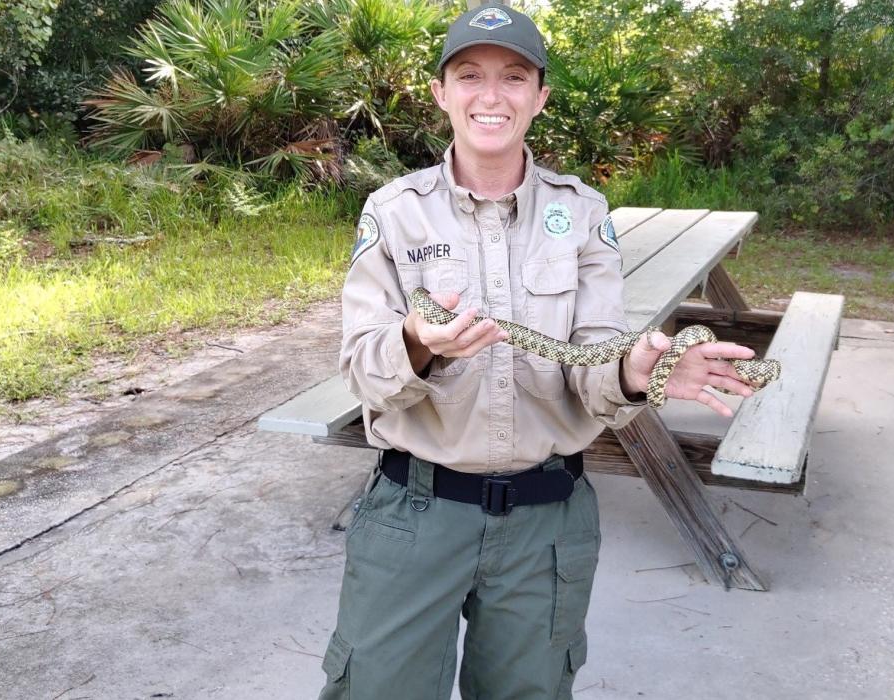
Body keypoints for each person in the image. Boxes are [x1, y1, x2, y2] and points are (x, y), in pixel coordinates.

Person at [321, 3, 758, 698]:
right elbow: (363, 372)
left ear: (540, 96)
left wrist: (634, 370)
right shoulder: (393, 212)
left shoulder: (582, 212)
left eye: (514, 77)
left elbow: (594, 367)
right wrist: (416, 342)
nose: (491, 96)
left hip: (546, 522)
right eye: (469, 76)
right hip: (416, 511)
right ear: (440, 93)